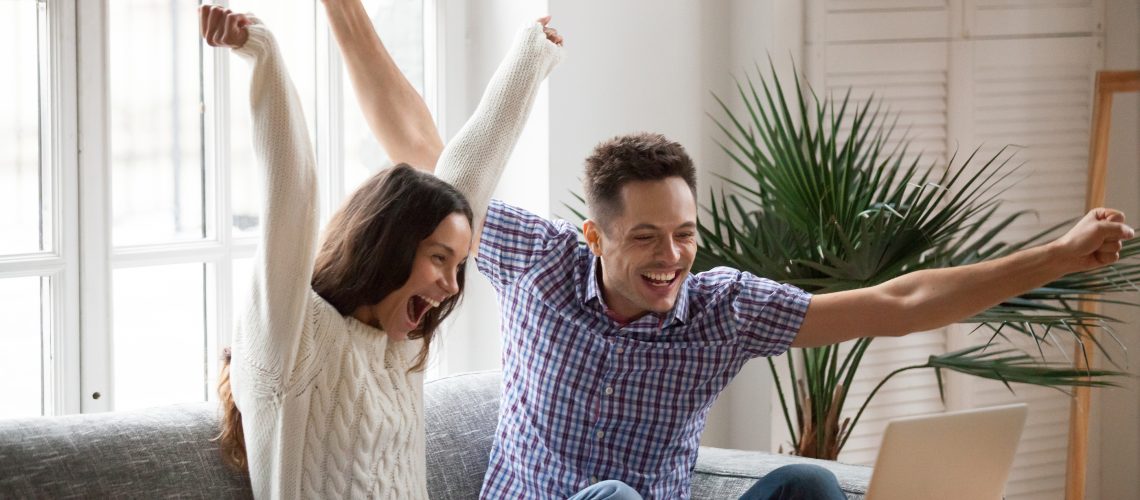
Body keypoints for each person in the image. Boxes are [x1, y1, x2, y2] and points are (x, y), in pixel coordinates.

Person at [331, 8, 1136, 500]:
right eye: (644, 237)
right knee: (609, 496)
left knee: (812, 484)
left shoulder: (723, 309)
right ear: (594, 237)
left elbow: (899, 305)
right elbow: (424, 146)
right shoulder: (539, 263)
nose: (671, 257)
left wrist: (1057, 256)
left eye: (684, 234)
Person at [199, 3, 563, 498]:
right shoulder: (293, 339)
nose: (452, 285)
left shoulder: (400, 345)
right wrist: (261, 52)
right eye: (438, 259)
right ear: (387, 248)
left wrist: (530, 59)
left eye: (457, 264)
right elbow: (292, 193)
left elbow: (466, 182)